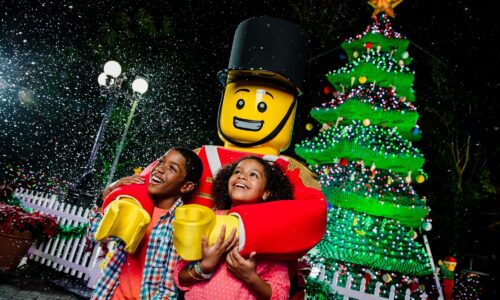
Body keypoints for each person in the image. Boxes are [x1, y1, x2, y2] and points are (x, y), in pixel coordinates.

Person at [87, 147, 203, 300]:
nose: (160, 169)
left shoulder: (180, 224)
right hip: (108, 294)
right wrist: (108, 194)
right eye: (161, 161)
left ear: (186, 186)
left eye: (172, 168)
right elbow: (96, 235)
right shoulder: (135, 205)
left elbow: (168, 290)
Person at [175, 156, 294, 299]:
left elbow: (280, 294)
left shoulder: (271, 231)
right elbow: (180, 277)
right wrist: (204, 266)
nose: (242, 176)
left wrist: (250, 277)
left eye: (253, 175)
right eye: (237, 172)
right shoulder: (210, 219)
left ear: (266, 192)